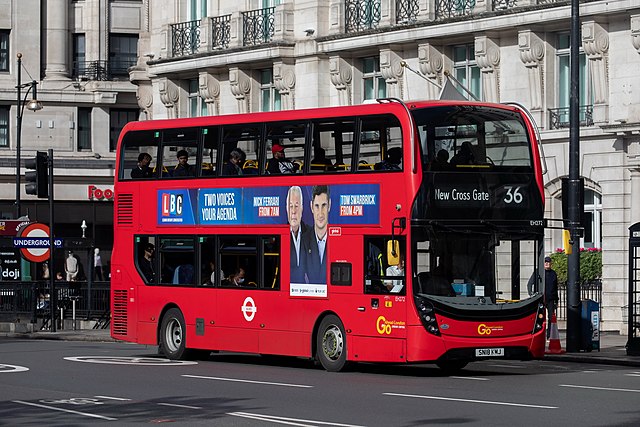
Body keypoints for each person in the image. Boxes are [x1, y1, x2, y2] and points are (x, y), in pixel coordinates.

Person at [302, 185, 330, 284]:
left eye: (324, 205)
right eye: (317, 206)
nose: (320, 213)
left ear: (329, 205)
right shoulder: (303, 241)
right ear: (311, 207)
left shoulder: (340, 239)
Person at [287, 186, 308, 283]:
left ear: (302, 208)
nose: (293, 211)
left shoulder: (310, 233)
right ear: (287, 209)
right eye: (291, 206)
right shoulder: (281, 235)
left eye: (296, 206)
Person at [542, 256, 559, 339]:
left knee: (550, 318)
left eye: (548, 262)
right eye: (545, 262)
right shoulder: (540, 273)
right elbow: (531, 283)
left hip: (551, 299)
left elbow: (555, 287)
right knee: (541, 318)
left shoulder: (553, 273)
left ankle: (549, 336)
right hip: (542, 299)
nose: (547, 264)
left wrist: (556, 300)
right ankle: (541, 335)